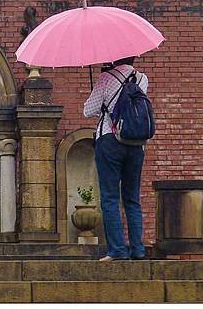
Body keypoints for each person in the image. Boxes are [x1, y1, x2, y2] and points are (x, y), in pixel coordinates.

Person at [84, 56, 149, 261]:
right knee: (132, 198)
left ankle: (118, 250)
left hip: (110, 140)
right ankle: (138, 249)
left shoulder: (106, 78)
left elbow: (88, 110)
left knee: (110, 197)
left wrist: (101, 86)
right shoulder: (141, 78)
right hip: (136, 142)